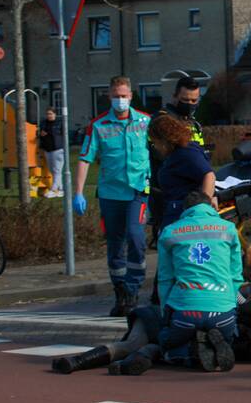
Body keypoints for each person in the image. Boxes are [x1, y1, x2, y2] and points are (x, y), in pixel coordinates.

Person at [74, 76, 151, 317]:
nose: (120, 100)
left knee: (137, 237)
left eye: (124, 96)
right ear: (110, 96)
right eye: (116, 96)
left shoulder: (145, 122)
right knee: (115, 243)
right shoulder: (98, 126)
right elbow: (85, 158)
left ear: (131, 96)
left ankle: (133, 287)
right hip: (110, 194)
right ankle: (121, 292)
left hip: (138, 191)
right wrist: (78, 192)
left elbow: (159, 151)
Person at [156, 190, 242, 371]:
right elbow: (236, 276)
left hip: (185, 314)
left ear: (185, 209)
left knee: (165, 343)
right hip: (223, 313)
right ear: (211, 206)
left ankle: (189, 352)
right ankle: (219, 344)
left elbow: (165, 278)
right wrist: (232, 305)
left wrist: (166, 312)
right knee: (229, 335)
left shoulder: (170, 232)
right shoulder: (228, 229)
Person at [149, 77, 205, 240]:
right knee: (172, 243)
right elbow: (161, 154)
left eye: (194, 100)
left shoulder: (193, 124)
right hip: (168, 194)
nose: (190, 104)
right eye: (185, 100)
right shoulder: (163, 120)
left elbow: (201, 153)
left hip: (193, 192)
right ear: (174, 97)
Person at [149, 115, 215, 231]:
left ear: (164, 140)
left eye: (155, 143)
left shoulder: (186, 152)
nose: (156, 147)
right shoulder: (175, 153)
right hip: (178, 210)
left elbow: (208, 176)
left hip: (185, 213)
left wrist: (204, 207)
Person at [39, 106, 66, 198]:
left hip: (58, 149)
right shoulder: (44, 123)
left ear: (55, 114)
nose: (49, 116)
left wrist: (48, 133)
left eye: (50, 114)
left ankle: (53, 190)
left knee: (57, 170)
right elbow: (40, 133)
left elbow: (62, 135)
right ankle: (61, 189)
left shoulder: (59, 123)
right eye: (47, 114)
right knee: (52, 170)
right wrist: (41, 134)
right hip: (48, 149)